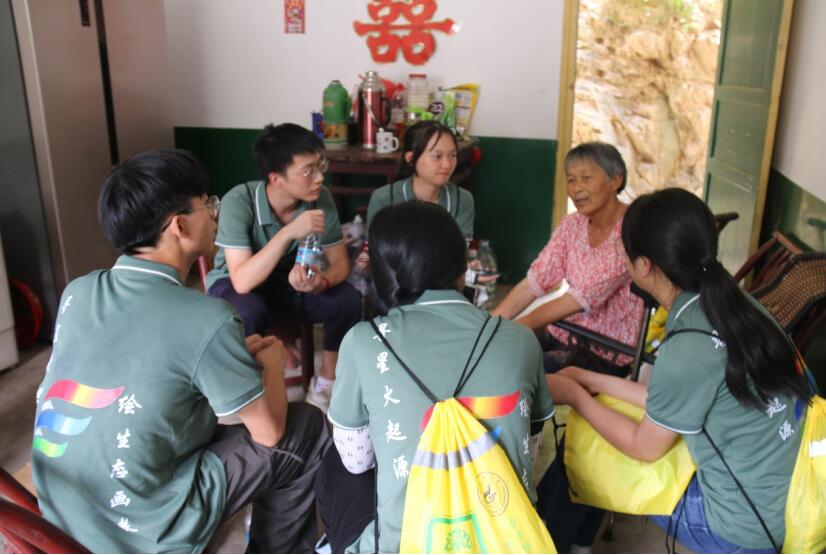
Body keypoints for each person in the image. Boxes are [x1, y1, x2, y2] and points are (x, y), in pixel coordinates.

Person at [31, 150, 330, 553]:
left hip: (61, 516)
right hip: (144, 530)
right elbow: (269, 432)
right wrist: (273, 365)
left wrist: (227, 357)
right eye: (208, 204)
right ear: (180, 225)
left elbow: (148, 362)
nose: (215, 214)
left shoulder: (78, 292)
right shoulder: (207, 317)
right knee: (305, 427)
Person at [546, 188, 813, 553]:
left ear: (644, 266)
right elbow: (677, 397)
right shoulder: (738, 305)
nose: (620, 253)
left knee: (584, 449)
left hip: (742, 525)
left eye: (623, 247)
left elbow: (644, 447)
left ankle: (557, 544)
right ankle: (574, 543)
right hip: (791, 491)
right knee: (599, 420)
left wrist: (576, 397)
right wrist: (589, 379)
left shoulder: (688, 345)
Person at [314, 201, 555, 553]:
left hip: (406, 545)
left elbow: (356, 459)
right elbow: (529, 452)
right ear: (463, 268)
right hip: (506, 538)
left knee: (336, 464)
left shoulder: (363, 342)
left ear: (380, 272)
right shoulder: (521, 340)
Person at [206, 123, 362, 412]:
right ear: (276, 179)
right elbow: (242, 282)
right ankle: (253, 395)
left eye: (320, 165)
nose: (319, 177)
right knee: (249, 310)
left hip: (286, 285)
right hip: (234, 286)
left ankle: (325, 385)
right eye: (308, 171)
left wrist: (322, 282)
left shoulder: (320, 198)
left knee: (347, 300)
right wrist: (289, 232)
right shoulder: (239, 201)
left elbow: (340, 263)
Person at [492, 142, 643, 377]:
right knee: (494, 353)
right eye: (571, 180)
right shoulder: (572, 224)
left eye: (586, 178)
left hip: (604, 352)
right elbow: (534, 281)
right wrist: (488, 326)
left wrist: (512, 329)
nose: (576, 188)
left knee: (512, 369)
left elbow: (579, 298)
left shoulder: (631, 231)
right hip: (562, 333)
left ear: (615, 181)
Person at [366, 120, 474, 239]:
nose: (447, 164)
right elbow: (375, 247)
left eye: (453, 155)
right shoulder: (383, 199)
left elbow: (460, 248)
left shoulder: (461, 200)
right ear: (411, 158)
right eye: (437, 156)